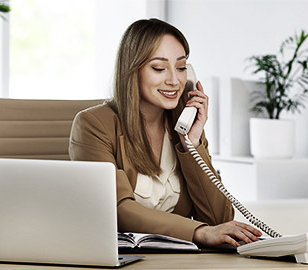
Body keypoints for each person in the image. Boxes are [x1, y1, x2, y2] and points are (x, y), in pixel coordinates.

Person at [69, 18, 261, 247]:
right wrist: (197, 232)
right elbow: (117, 209)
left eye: (181, 68)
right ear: (132, 71)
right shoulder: (94, 124)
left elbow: (218, 219)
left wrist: (191, 143)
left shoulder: (184, 127)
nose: (174, 80)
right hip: (118, 258)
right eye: (159, 68)